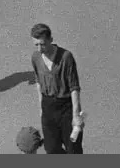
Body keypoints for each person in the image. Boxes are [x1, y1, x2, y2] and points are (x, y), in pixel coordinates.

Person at [30, 23, 83, 154]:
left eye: (42, 44)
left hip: (65, 108)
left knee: (73, 148)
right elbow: (38, 83)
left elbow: (74, 87)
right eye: (36, 45)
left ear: (51, 40)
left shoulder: (66, 57)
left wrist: (76, 115)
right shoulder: (35, 58)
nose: (39, 49)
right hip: (48, 106)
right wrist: (41, 107)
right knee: (51, 149)